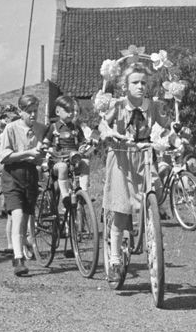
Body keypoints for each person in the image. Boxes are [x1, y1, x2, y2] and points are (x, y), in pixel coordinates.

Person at [99, 62, 178, 283]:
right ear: (125, 86)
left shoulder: (152, 106)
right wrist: (109, 132)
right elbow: (102, 126)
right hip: (122, 159)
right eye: (135, 82)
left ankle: (152, 217)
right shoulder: (118, 105)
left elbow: (168, 125)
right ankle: (114, 260)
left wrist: (175, 135)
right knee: (121, 210)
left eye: (144, 82)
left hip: (144, 158)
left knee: (155, 189)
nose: (140, 86)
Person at [0, 94, 47, 277]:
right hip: (12, 174)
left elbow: (49, 141)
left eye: (36, 111)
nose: (33, 115)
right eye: (29, 112)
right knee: (17, 216)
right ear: (21, 111)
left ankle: (24, 244)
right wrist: (27, 153)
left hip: (31, 175)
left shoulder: (41, 128)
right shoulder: (11, 128)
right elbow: (4, 156)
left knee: (26, 218)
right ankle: (18, 260)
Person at [43, 96, 91, 212]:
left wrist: (82, 147)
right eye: (67, 111)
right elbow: (46, 142)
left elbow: (81, 142)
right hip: (57, 160)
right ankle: (65, 196)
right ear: (57, 111)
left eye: (72, 111)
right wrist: (45, 147)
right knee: (62, 167)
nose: (71, 113)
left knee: (85, 162)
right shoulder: (53, 127)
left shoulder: (76, 128)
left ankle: (83, 193)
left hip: (73, 159)